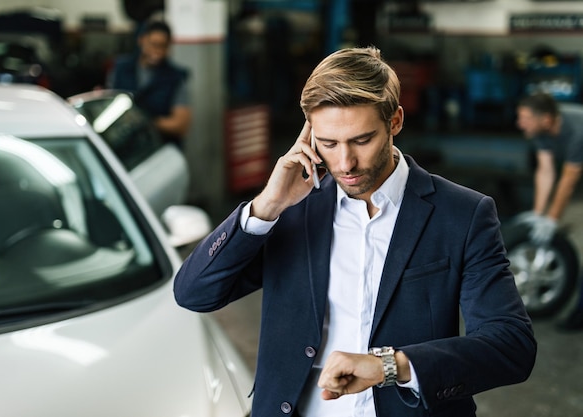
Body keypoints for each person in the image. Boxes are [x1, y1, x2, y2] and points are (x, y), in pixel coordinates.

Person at [174, 47, 536, 417]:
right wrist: (266, 206)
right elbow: (194, 293)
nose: (345, 163)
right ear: (310, 136)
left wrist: (391, 366)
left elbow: (510, 345)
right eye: (329, 144)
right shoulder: (291, 210)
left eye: (362, 140)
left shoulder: (462, 214)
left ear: (394, 121)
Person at [516, 92, 583, 330]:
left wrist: (552, 220)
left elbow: (568, 179)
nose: (519, 123)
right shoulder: (542, 131)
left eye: (524, 118)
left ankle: (581, 313)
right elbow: (546, 171)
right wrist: (538, 213)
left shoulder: (577, 130)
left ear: (545, 119)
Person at [108, 19, 191, 148]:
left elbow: (180, 124)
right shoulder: (121, 69)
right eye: (153, 44)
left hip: (160, 147)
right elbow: (109, 103)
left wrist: (145, 121)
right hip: (124, 145)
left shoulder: (175, 78)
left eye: (163, 46)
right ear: (141, 40)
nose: (157, 51)